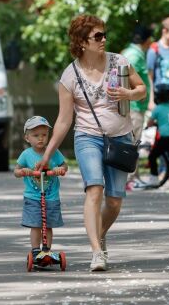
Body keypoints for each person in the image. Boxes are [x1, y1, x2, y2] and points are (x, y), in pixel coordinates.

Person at [35, 14, 146, 271]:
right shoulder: (70, 75)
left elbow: (142, 89)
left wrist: (128, 93)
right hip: (87, 137)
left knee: (115, 200)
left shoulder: (119, 62)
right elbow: (63, 121)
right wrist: (47, 155)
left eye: (104, 34)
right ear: (82, 42)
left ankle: (100, 233)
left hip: (120, 137)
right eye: (98, 36)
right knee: (94, 189)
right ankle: (97, 252)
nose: (104, 39)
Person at [14, 116, 68, 261]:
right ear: (27, 138)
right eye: (36, 135)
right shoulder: (26, 154)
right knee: (36, 225)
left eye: (44, 135)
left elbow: (64, 166)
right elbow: (16, 171)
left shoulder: (53, 152)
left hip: (51, 197)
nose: (40, 139)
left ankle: (47, 251)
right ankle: (36, 250)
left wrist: (59, 169)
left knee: (48, 225)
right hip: (33, 197)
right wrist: (23, 171)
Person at [121, 25, 153, 190]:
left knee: (134, 142)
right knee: (132, 143)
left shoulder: (134, 53)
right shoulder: (133, 55)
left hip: (135, 105)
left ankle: (133, 177)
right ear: (147, 40)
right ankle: (129, 179)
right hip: (133, 105)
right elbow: (123, 78)